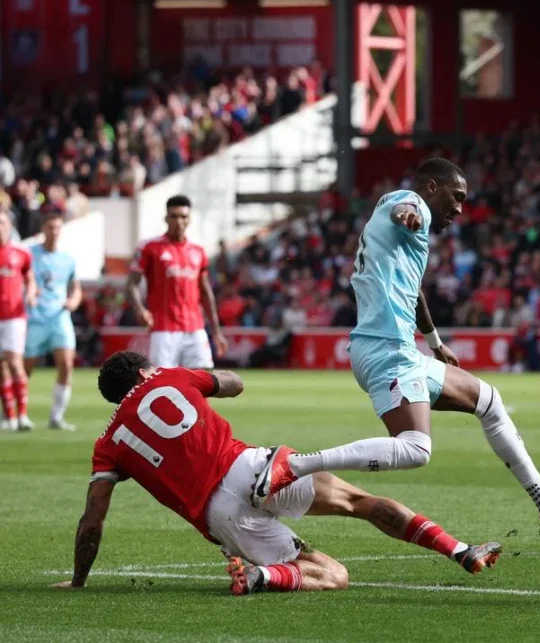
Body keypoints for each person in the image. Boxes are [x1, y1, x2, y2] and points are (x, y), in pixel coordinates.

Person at [250, 158, 540, 534]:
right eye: (456, 196)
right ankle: (293, 465)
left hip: (396, 349)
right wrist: (408, 214)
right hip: (387, 350)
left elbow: (414, 295)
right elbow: (405, 206)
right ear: (432, 187)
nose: (459, 208)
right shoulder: (411, 204)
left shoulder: (397, 231)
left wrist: (435, 343)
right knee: (415, 448)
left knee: (489, 401)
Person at [51, 351, 502, 595]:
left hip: (220, 515)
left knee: (332, 574)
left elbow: (92, 520)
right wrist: (203, 377)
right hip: (252, 468)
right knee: (360, 503)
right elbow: (234, 383)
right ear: (143, 372)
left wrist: (79, 579)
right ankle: (459, 550)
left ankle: (263, 576)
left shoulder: (108, 445)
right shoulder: (169, 377)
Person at [126, 195, 228, 369]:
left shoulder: (198, 250)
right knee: (164, 380)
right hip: (163, 329)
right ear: (166, 218)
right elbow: (131, 284)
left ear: (189, 219)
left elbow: (205, 292)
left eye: (183, 217)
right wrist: (140, 309)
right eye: (174, 216)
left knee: (201, 379)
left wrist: (217, 331)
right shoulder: (150, 247)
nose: (179, 221)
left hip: (195, 328)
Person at [25, 212, 81, 431]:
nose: (54, 232)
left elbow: (75, 287)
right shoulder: (30, 254)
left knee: (66, 364)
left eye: (57, 227)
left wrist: (73, 301)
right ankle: (13, 411)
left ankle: (57, 417)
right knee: (24, 369)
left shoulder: (67, 259)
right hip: (35, 317)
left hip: (60, 318)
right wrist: (28, 292)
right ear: (43, 229)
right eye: (50, 227)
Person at [0, 210, 36, 432]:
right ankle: (9, 416)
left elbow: (30, 278)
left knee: (14, 362)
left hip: (14, 316)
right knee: (1, 366)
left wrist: (31, 293)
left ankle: (22, 414)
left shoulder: (21, 252)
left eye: (2, 222)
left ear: (9, 225)